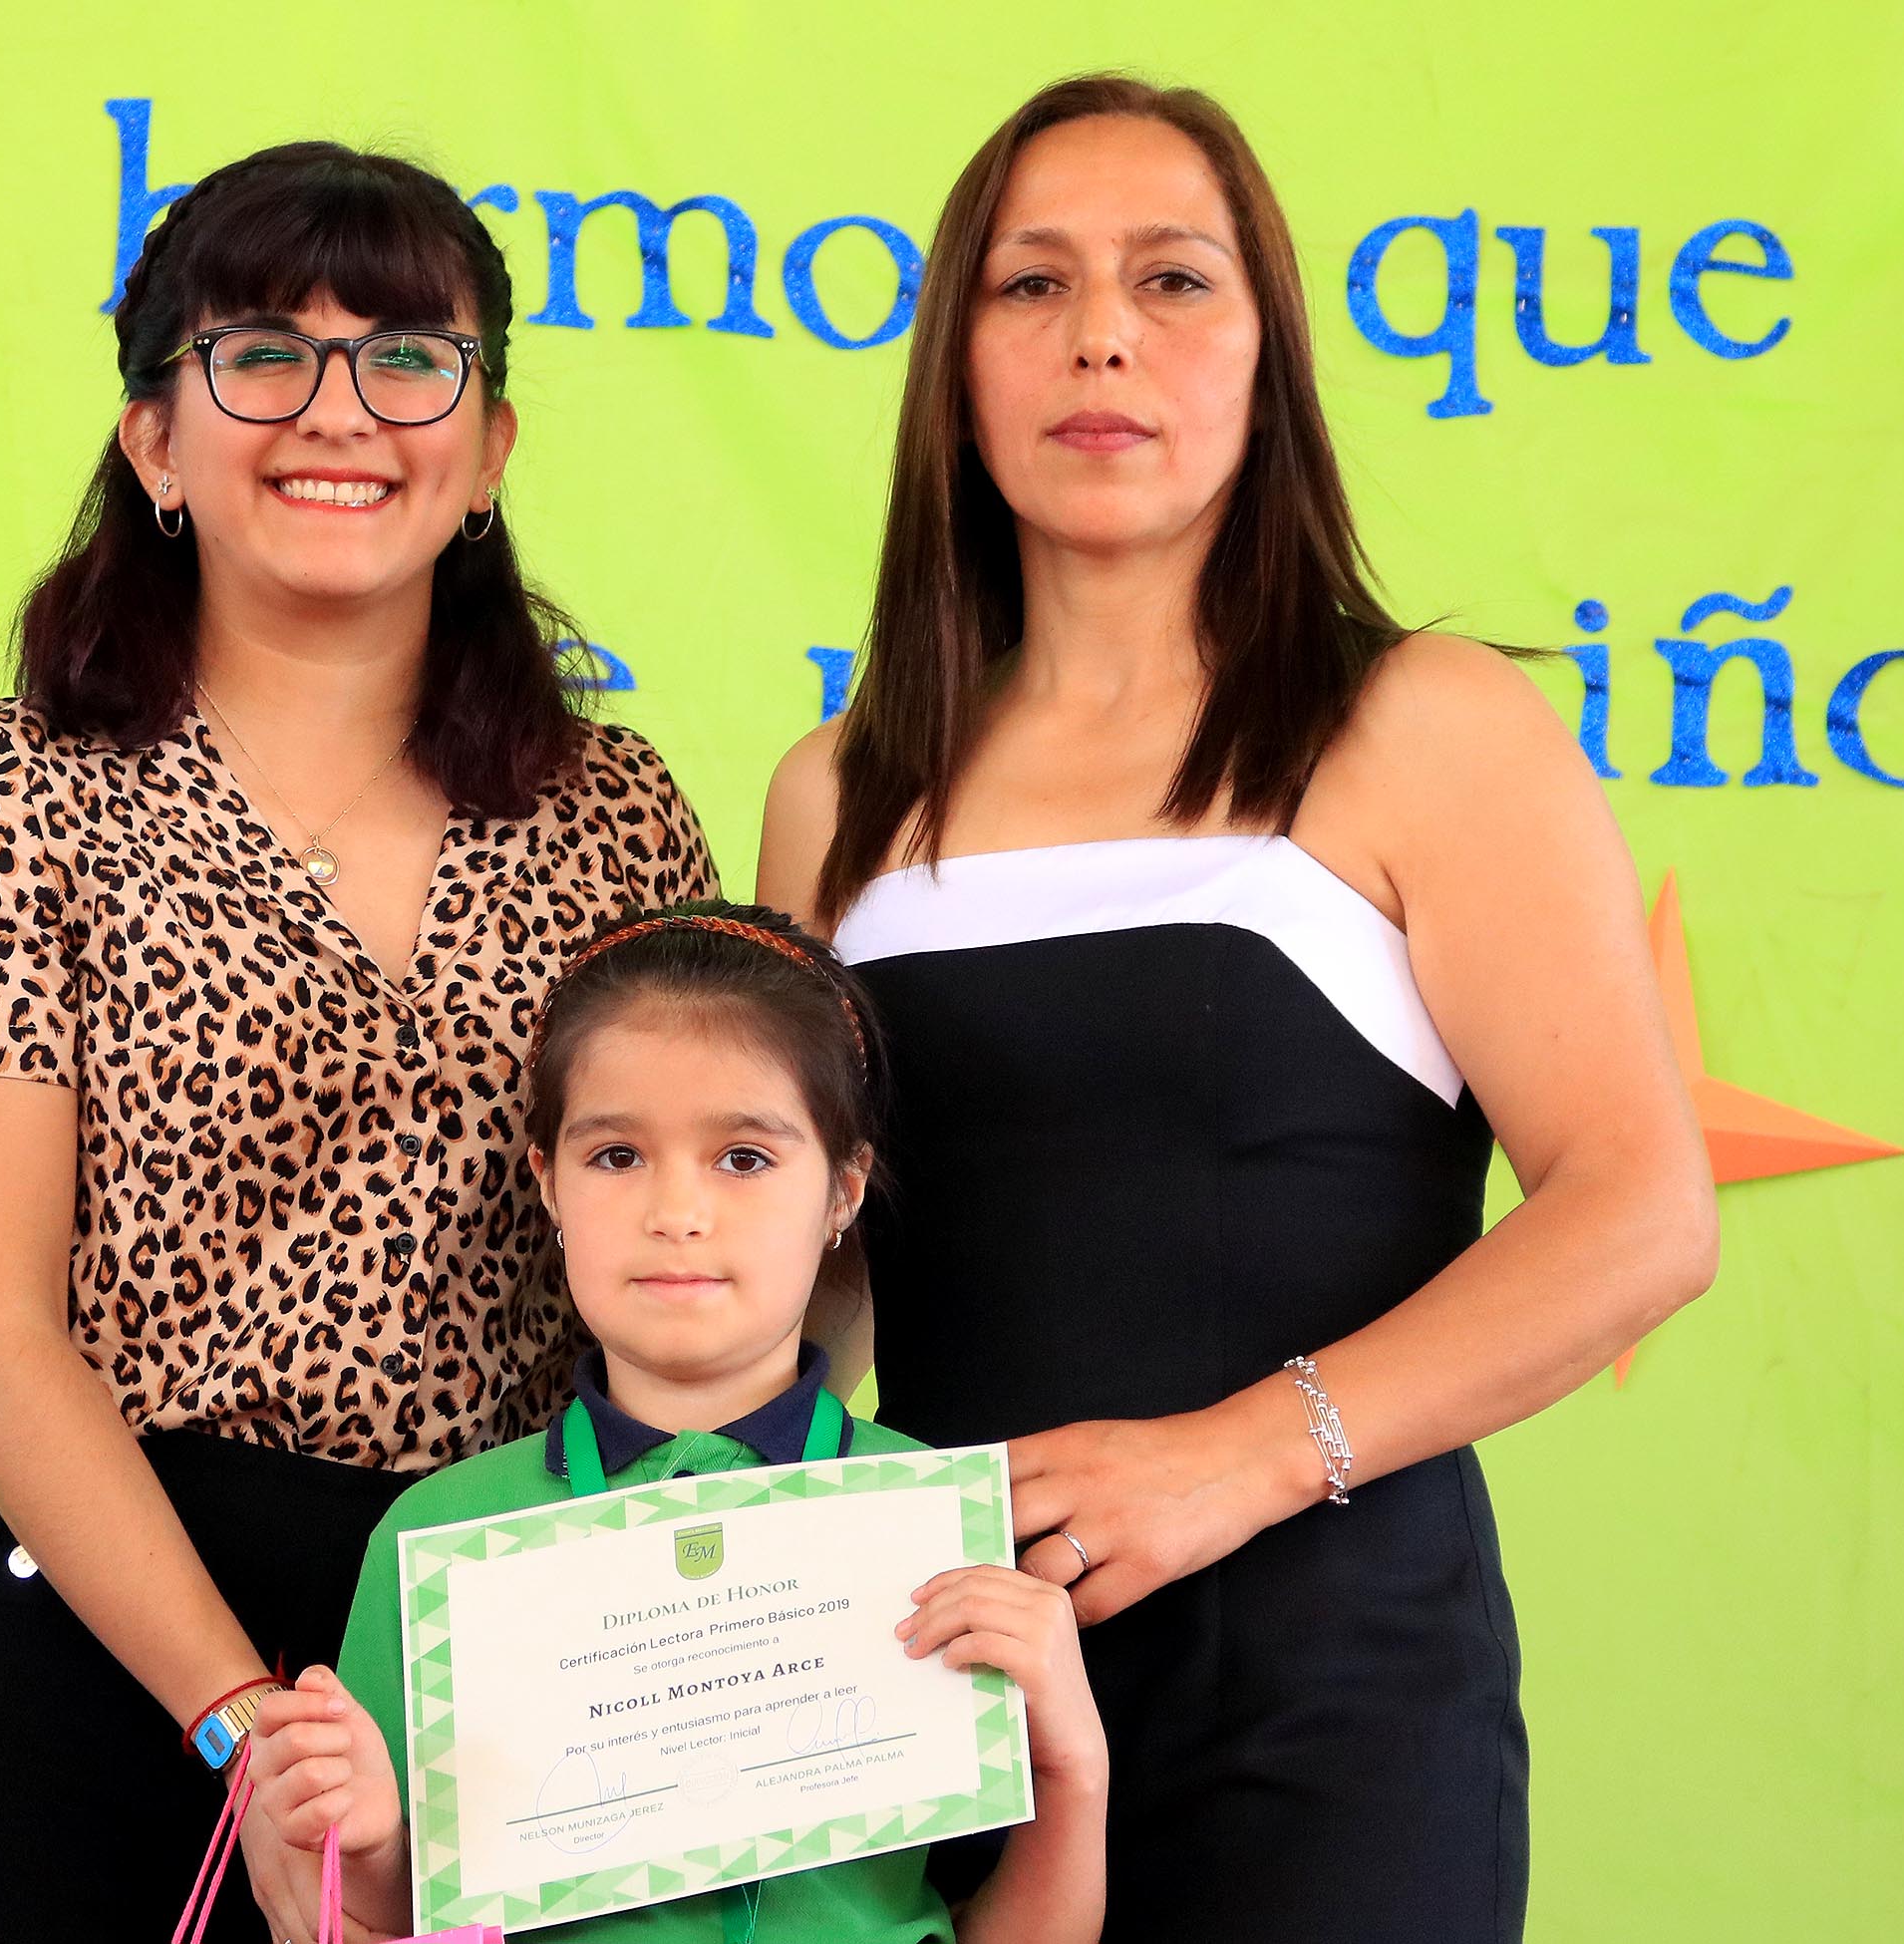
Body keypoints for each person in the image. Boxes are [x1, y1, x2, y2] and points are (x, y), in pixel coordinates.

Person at [756, 75, 1720, 1942]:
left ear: (1268, 360)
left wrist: (1238, 1459)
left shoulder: (1424, 724)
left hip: (1330, 1717)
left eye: (1174, 279)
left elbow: (1642, 1211)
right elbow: (816, 1290)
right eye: (1032, 284)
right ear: (955, 366)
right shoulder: (839, 789)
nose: (1101, 334)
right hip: (947, 1705)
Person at [0, 142, 715, 1943]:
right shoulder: (14, 787)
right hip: (91, 1655)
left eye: (407, 356)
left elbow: (719, 1257)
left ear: (488, 447)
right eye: (261, 354)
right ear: (156, 439)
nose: (339, 410)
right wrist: (244, 1726)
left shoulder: (618, 814)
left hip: (491, 1668)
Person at [243, 903, 1110, 1941]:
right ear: (546, 1181)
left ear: (843, 1189)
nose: (676, 1214)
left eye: (743, 1158)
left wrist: (1074, 1765)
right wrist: (368, 1845)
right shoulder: (439, 1541)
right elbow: (397, 1913)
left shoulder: (931, 1521)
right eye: (617, 1156)